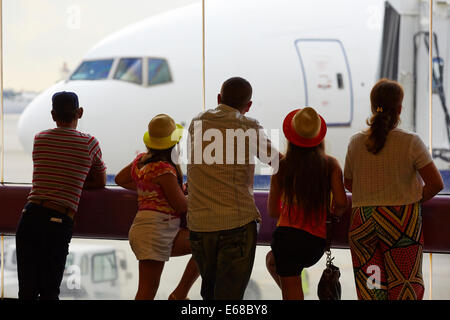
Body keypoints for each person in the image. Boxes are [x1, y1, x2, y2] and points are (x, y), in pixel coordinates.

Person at [344, 79, 444, 300]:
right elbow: (436, 183)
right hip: (401, 222)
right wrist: (411, 198)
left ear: (372, 107)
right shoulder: (410, 141)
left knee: (371, 287)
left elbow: (348, 183)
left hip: (363, 222)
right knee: (404, 285)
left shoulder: (355, 142)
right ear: (399, 108)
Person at [187, 77, 279, 300]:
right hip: (235, 225)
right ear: (248, 107)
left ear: (219, 98)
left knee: (209, 295)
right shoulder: (248, 126)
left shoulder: (196, 122)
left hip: (199, 226)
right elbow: (277, 161)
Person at [15, 91, 107, 300]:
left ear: (53, 115)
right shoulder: (89, 143)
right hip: (58, 220)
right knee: (50, 291)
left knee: (26, 291)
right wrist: (74, 183)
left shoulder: (40, 139)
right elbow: (100, 181)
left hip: (29, 216)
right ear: (80, 112)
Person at [266, 107, 347, 300]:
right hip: (314, 243)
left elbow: (272, 210)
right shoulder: (331, 165)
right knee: (272, 262)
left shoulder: (283, 167)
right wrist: (333, 214)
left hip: (286, 238)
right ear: (319, 136)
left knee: (289, 284)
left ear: (291, 137)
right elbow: (342, 203)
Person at [115, 114, 199, 300]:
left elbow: (120, 179)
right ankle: (179, 294)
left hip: (149, 229)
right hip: (157, 231)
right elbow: (180, 205)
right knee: (147, 292)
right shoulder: (165, 170)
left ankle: (179, 294)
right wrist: (195, 196)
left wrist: (147, 190)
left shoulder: (140, 161)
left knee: (206, 245)